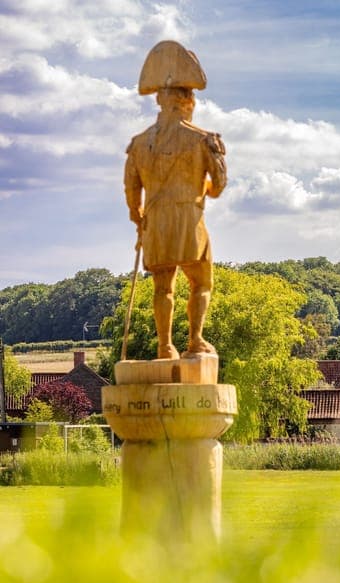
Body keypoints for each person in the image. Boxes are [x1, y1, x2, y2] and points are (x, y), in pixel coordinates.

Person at [124, 45, 227, 360]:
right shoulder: (202, 139)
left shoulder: (139, 143)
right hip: (188, 220)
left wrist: (138, 218)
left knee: (162, 287)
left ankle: (165, 346)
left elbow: (131, 190)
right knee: (202, 283)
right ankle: (195, 340)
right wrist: (204, 188)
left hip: (156, 223)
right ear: (188, 102)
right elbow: (218, 185)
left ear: (160, 101)